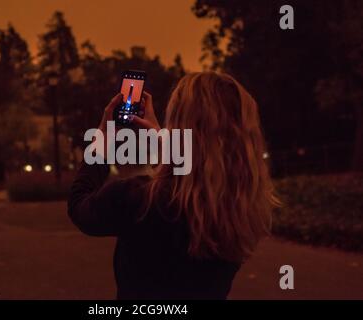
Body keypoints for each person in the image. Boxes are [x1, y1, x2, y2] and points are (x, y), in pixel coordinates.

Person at [68, 72, 279, 299]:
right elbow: (202, 173)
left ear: (178, 125)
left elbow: (80, 205)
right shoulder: (241, 209)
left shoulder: (140, 200)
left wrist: (101, 144)